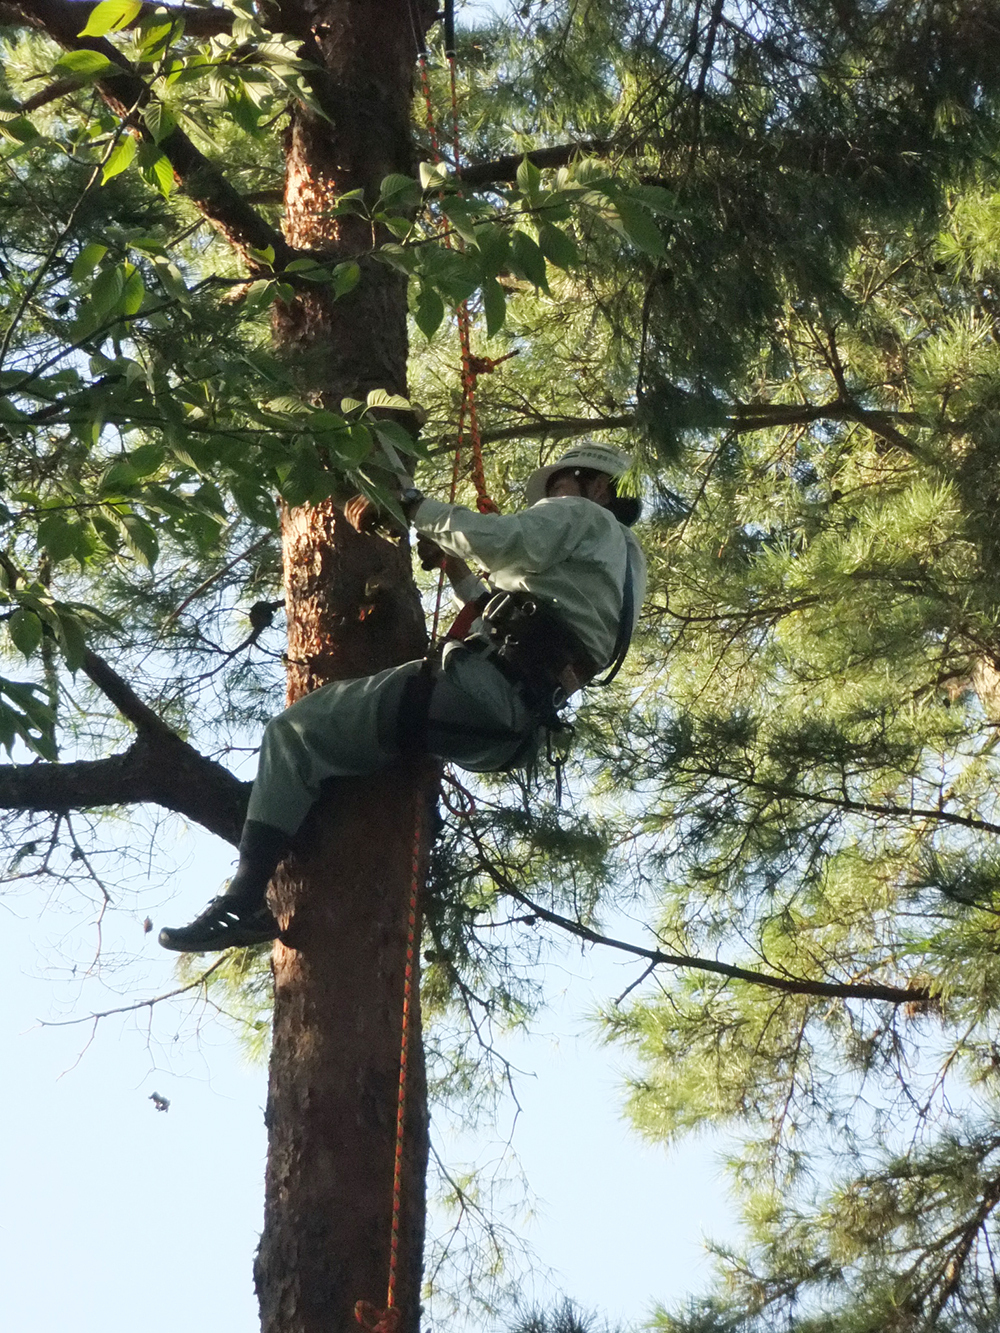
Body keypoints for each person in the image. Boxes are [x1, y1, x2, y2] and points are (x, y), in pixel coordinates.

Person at [158, 442, 647, 952]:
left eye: (563, 483)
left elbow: (501, 541)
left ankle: (245, 899)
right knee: (374, 737)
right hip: (506, 729)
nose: (555, 495)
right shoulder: (625, 571)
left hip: (479, 692)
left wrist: (415, 507)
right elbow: (511, 617)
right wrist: (455, 567)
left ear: (597, 486)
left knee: (293, 734)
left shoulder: (583, 517)